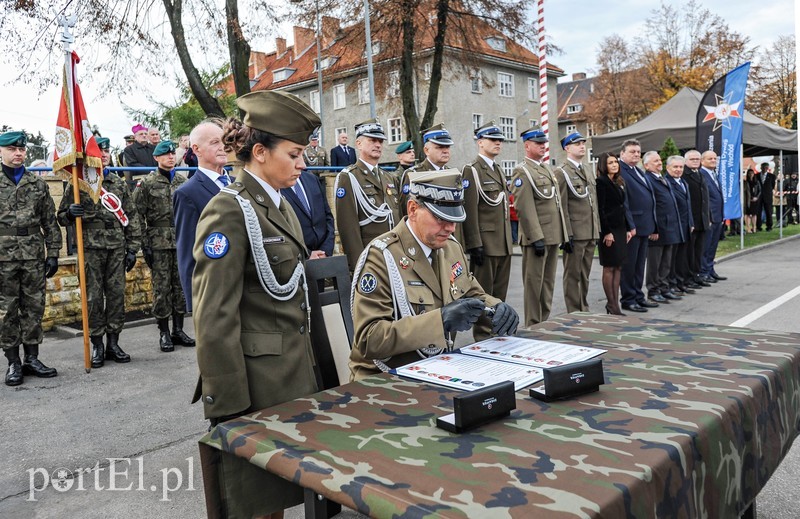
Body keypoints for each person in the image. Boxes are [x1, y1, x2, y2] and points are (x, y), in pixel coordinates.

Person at [191, 89, 321, 518]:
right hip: (255, 389)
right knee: (257, 506)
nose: (303, 164)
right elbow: (214, 314)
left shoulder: (277, 205)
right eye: (295, 153)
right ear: (261, 152)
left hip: (291, 379)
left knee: (281, 496)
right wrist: (227, 407)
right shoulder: (228, 211)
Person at [349, 168, 519, 380]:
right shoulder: (382, 256)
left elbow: (471, 295)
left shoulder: (450, 248)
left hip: (437, 368)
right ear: (412, 209)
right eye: (440, 218)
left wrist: (497, 309)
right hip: (386, 377)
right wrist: (440, 321)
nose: (451, 228)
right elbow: (369, 339)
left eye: (455, 218)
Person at [57, 137, 141, 367]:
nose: (103, 154)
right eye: (99, 151)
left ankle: (113, 342)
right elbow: (61, 216)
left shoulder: (118, 183)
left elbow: (131, 217)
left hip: (116, 247)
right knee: (93, 297)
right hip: (90, 248)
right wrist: (70, 213)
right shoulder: (78, 183)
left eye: (106, 150)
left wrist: (133, 248)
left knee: (115, 295)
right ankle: (97, 344)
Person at [0, 131, 61, 386]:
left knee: (34, 307)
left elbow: (50, 221)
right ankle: (13, 361)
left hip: (34, 255)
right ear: (1, 151)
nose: (18, 153)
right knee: (7, 311)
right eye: (12, 149)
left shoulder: (37, 184)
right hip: (3, 257)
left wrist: (54, 252)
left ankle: (32, 358)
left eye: (22, 150)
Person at [133, 141, 194, 351]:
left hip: (181, 240)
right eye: (165, 154)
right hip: (158, 241)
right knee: (161, 288)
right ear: (156, 158)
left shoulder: (181, 180)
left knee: (180, 287)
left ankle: (178, 330)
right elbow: (137, 215)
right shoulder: (147, 183)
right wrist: (145, 245)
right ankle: (164, 332)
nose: (170, 157)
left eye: (171, 154)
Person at [510, 127, 570, 326]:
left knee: (547, 284)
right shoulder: (522, 171)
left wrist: (564, 235)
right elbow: (524, 207)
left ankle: (544, 321)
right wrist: (536, 237)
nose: (543, 146)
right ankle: (534, 324)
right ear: (527, 146)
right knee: (534, 285)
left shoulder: (545, 168)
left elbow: (556, 204)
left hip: (553, 235)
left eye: (544, 142)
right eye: (538, 143)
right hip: (537, 237)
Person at [461, 121, 513, 340]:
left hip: (503, 242)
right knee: (483, 295)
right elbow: (470, 208)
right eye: (493, 139)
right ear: (480, 142)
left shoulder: (498, 169)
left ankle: (497, 332)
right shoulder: (472, 170)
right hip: (485, 241)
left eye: (500, 140)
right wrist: (474, 243)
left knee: (499, 294)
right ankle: (482, 336)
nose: (498, 143)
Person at [173, 120, 230, 313]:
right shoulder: (188, 192)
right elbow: (187, 251)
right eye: (215, 142)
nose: (223, 147)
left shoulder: (238, 184)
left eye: (224, 141)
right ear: (196, 149)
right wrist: (195, 303)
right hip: (215, 292)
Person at [334, 119, 401, 272]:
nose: (378, 145)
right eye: (372, 140)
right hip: (371, 257)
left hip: (395, 255)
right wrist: (360, 265)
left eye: (380, 141)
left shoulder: (388, 177)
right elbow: (348, 227)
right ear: (358, 144)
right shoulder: (349, 177)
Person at [556, 132, 599, 313]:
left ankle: (583, 307)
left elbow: (593, 201)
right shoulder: (562, 171)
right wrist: (567, 234)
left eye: (583, 143)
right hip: (575, 231)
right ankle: (574, 311)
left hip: (590, 229)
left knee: (585, 274)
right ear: (567, 148)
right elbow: (562, 205)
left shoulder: (587, 169)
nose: (582, 146)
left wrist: (597, 228)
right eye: (577, 144)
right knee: (573, 275)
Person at [618, 139, 658, 313]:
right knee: (629, 265)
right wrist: (629, 225)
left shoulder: (638, 171)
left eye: (638, 152)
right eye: (632, 151)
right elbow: (624, 202)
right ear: (622, 154)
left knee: (639, 264)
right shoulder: (621, 171)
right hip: (632, 227)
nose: (636, 154)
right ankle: (628, 298)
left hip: (644, 225)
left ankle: (638, 295)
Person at [643, 152, 682, 304]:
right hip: (658, 228)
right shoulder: (648, 179)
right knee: (655, 262)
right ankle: (653, 290)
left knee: (666, 261)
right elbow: (649, 205)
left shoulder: (661, 177)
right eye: (655, 161)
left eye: (659, 160)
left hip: (669, 226)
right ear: (646, 165)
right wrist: (653, 228)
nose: (659, 163)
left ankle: (664, 288)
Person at [595, 152, 631, 315]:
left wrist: (628, 228)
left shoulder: (617, 181)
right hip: (609, 230)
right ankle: (611, 304)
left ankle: (615, 304)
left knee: (618, 266)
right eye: (610, 163)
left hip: (620, 229)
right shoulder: (601, 182)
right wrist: (607, 232)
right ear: (604, 165)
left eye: (616, 162)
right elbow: (600, 209)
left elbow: (623, 207)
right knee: (609, 267)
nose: (615, 165)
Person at [281, 168, 335, 258]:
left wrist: (325, 251)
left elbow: (328, 216)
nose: (303, 165)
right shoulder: (276, 185)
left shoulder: (312, 179)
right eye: (294, 155)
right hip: (297, 260)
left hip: (323, 258)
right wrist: (308, 254)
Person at [664, 155, 695, 295]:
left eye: (681, 167)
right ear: (668, 168)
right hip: (674, 226)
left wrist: (691, 222)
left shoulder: (683, 182)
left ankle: (680, 282)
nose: (678, 170)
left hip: (685, 225)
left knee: (682, 257)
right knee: (672, 258)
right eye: (675, 167)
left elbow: (688, 206)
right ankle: (672, 284)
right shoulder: (666, 182)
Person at [682, 150, 709, 289]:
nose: (695, 161)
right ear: (686, 161)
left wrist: (707, 216)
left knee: (699, 250)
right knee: (689, 252)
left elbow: (705, 199)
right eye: (692, 159)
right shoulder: (684, 175)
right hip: (691, 220)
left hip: (702, 220)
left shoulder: (700, 174)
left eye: (697, 159)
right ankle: (689, 277)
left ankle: (697, 275)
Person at [698, 150, 726, 283]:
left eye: (715, 159)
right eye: (710, 159)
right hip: (709, 217)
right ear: (702, 161)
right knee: (706, 246)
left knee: (713, 245)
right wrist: (707, 216)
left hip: (718, 216)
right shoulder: (701, 175)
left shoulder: (714, 174)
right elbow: (704, 199)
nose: (714, 161)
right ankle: (703, 272)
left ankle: (710, 269)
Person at [757, 162, 776, 231]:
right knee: (758, 211)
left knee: (768, 211)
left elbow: (773, 186)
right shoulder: (757, 176)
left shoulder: (772, 176)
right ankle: (758, 226)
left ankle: (769, 226)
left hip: (768, 196)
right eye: (763, 167)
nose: (764, 169)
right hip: (759, 196)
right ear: (761, 168)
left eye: (766, 167)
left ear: (768, 168)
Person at [744, 168, 761, 233]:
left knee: (754, 214)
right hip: (748, 200)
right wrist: (750, 198)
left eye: (752, 173)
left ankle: (754, 227)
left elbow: (760, 191)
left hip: (755, 200)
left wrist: (756, 197)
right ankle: (748, 228)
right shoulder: (746, 182)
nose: (751, 175)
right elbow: (745, 191)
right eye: (749, 173)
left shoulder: (757, 182)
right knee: (747, 214)